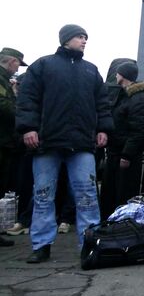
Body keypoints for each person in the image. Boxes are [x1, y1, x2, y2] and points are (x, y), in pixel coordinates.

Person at [16, 24, 113, 263]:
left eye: (86, 38)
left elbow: (102, 102)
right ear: (66, 39)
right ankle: (41, 245)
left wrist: (103, 128)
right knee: (43, 194)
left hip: (81, 144)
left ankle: (90, 245)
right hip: (47, 142)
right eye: (80, 37)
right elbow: (28, 98)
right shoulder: (43, 65)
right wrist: (28, 128)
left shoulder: (91, 70)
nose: (84, 41)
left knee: (87, 194)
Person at [100, 62, 144, 220]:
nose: (115, 75)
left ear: (123, 75)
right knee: (110, 193)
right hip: (115, 152)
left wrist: (127, 155)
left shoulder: (138, 98)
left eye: (118, 73)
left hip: (125, 156)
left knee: (123, 193)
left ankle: (122, 227)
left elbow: (139, 130)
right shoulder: (123, 96)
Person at [0, 47, 27, 247]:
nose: (18, 68)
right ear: (11, 62)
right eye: (18, 63)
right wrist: (23, 115)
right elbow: (4, 107)